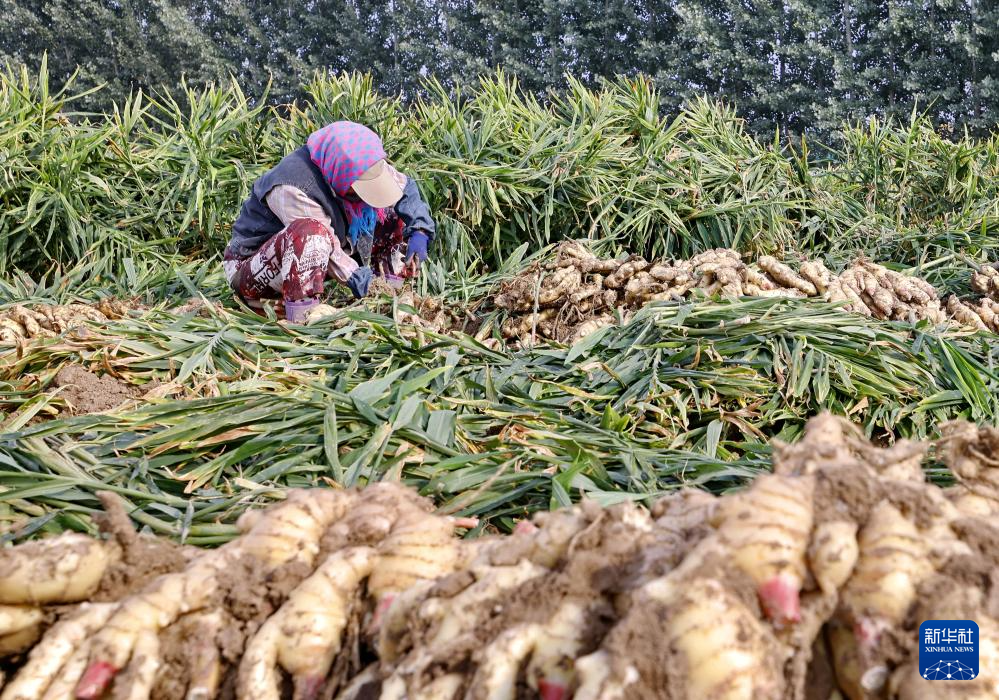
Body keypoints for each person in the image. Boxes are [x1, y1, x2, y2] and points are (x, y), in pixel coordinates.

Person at [224, 121, 436, 321]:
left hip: (316, 256)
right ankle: (303, 317)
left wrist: (420, 230)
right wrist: (365, 283)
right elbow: (329, 249)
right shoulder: (292, 186)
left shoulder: (365, 164)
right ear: (339, 173)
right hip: (256, 272)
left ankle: (392, 298)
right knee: (311, 233)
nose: (362, 197)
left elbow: (403, 189)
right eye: (357, 189)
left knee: (390, 211)